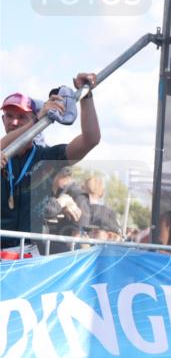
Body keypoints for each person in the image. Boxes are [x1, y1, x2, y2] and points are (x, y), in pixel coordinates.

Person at [1, 74, 101, 252]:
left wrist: (86, 96)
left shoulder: (45, 157)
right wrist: (36, 120)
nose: (14, 122)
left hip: (29, 255)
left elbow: (90, 140)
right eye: (9, 116)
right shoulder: (2, 153)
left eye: (22, 117)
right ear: (2, 120)